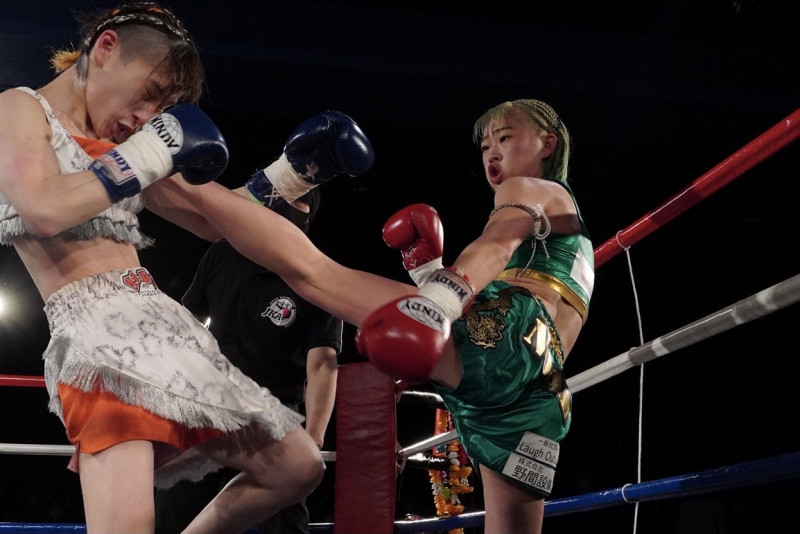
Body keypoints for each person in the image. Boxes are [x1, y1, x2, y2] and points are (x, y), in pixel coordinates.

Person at [0, 2, 373, 533]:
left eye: (162, 108)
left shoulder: (121, 147)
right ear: (106, 48)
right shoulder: (19, 108)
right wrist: (149, 151)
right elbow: (41, 207)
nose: (147, 117)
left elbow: (212, 218)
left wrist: (293, 174)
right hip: (101, 339)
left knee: (297, 465)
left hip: (164, 324)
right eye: (150, 93)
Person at [163, 98, 594, 534]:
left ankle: (188, 175)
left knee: (311, 273)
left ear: (547, 144)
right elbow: (522, 301)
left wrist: (438, 299)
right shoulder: (568, 226)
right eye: (485, 146)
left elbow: (496, 243)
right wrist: (429, 274)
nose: (492, 153)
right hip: (540, 385)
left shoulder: (529, 189)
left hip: (508, 337)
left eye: (505, 137)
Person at [154, 187, 342, 534]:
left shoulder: (316, 271)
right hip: (211, 406)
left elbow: (321, 363)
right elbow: (186, 324)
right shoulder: (222, 253)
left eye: (296, 207)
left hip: (276, 414)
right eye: (279, 204)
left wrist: (314, 436)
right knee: (172, 510)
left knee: (285, 522)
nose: (284, 215)